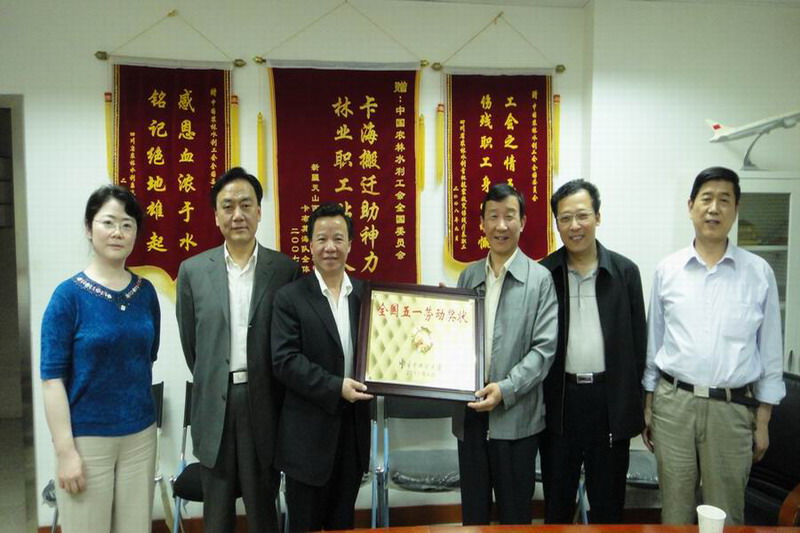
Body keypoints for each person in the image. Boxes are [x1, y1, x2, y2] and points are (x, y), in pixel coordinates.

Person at [642, 166, 786, 525]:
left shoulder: (758, 273)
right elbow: (654, 344)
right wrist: (649, 405)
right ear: (691, 206)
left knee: (726, 513)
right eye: (706, 199)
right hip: (673, 405)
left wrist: (763, 420)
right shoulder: (668, 270)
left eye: (724, 200)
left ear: (736, 209)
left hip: (731, 408)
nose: (714, 208)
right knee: (675, 512)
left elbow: (770, 353)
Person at [176, 167, 300, 532]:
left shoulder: (285, 270)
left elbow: (290, 342)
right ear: (216, 216)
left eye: (246, 205)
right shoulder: (193, 271)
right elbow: (192, 345)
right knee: (216, 514)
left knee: (263, 509)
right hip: (214, 405)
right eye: (228, 206)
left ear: (259, 211)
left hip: (264, 403)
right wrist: (217, 375)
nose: (238, 214)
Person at [41, 185, 160, 533]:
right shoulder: (67, 297)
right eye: (108, 222)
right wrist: (65, 452)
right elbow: (51, 380)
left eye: (127, 224)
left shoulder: (145, 293)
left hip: (140, 435)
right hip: (86, 439)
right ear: (88, 228)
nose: (117, 232)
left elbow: (147, 360)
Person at [540, 179, 647, 523]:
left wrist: (641, 405)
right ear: (556, 224)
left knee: (608, 507)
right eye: (565, 218)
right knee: (557, 506)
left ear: (598, 217)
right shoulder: (545, 274)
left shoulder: (625, 273)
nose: (574, 226)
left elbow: (639, 346)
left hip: (608, 404)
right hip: (560, 403)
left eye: (582, 215)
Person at [452, 183, 558, 525]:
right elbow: (454, 339)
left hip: (517, 420)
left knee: (515, 517)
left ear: (522, 222)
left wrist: (505, 389)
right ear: (482, 223)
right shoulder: (468, 276)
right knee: (474, 516)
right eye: (493, 216)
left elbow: (544, 351)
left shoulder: (540, 280)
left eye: (509, 216)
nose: (501, 225)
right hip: (470, 418)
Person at [271, 202, 373, 533]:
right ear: (310, 245)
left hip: (352, 436)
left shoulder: (367, 295)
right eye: (322, 239)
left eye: (338, 238)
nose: (330, 247)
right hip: (306, 439)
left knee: (343, 523)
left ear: (350, 244)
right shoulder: (289, 297)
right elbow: (285, 361)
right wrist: (335, 387)